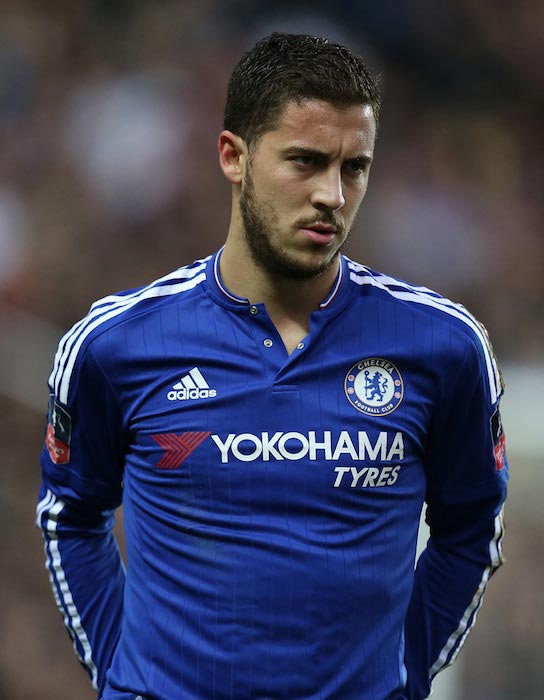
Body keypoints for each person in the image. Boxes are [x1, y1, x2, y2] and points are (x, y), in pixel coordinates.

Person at [36, 32, 508, 700]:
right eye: (306, 161)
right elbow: (70, 517)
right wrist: (121, 675)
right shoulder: (117, 345)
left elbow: (472, 529)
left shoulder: (443, 347)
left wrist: (403, 676)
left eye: (354, 168)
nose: (332, 196)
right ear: (234, 156)